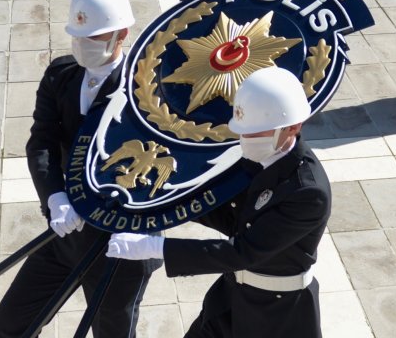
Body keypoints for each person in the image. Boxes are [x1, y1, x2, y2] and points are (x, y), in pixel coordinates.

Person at [106, 66, 332, 338]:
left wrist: (156, 247)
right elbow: (229, 216)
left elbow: (242, 251)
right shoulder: (259, 157)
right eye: (243, 131)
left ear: (292, 127)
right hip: (230, 297)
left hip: (277, 315)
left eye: (255, 132)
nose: (245, 140)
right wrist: (163, 202)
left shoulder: (306, 192)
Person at [0, 0, 160, 338]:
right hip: (67, 233)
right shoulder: (60, 74)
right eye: (78, 36)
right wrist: (55, 197)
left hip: (120, 245)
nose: (83, 45)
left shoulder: (148, 92)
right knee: (10, 323)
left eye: (94, 38)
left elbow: (162, 169)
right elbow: (42, 143)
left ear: (121, 35)